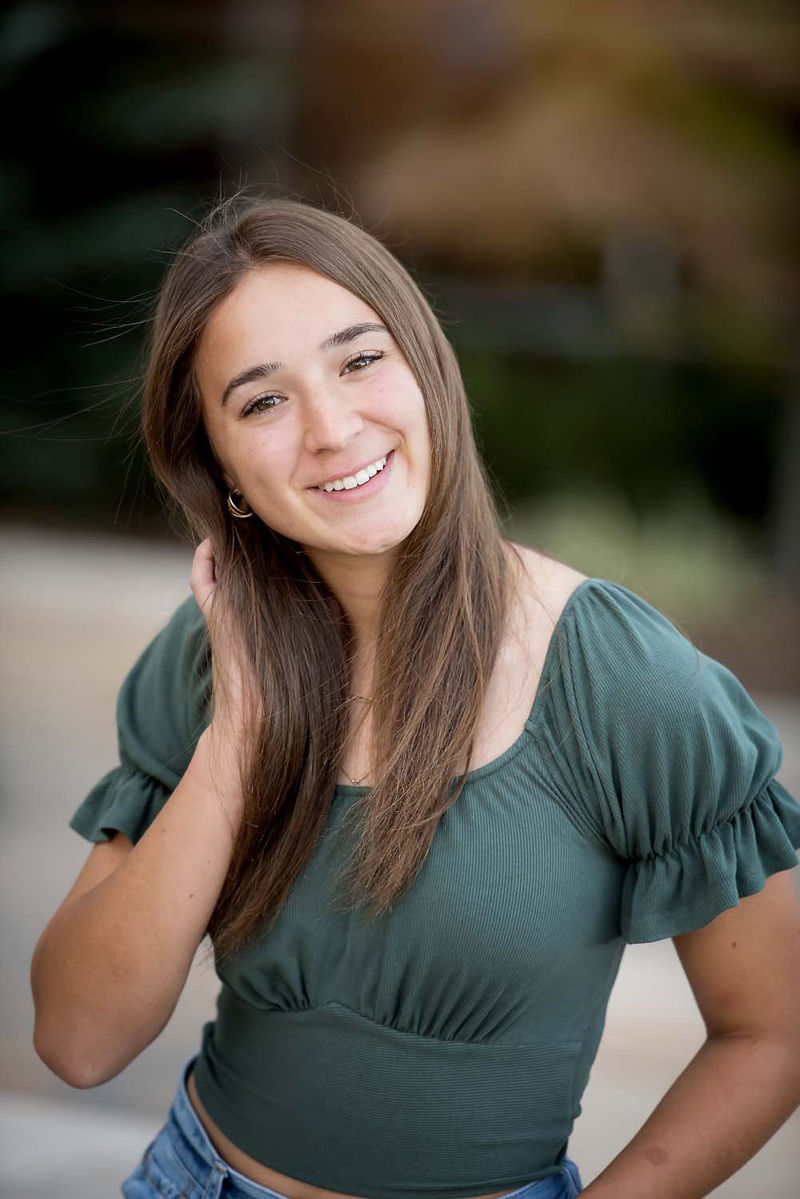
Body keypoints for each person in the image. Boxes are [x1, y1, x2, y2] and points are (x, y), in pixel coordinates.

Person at [31, 197, 800, 1199]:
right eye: (262, 401)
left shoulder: (621, 678)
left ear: (426, 366)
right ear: (219, 468)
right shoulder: (206, 653)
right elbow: (79, 1040)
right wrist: (240, 735)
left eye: (358, 360)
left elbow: (771, 1031)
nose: (332, 427)